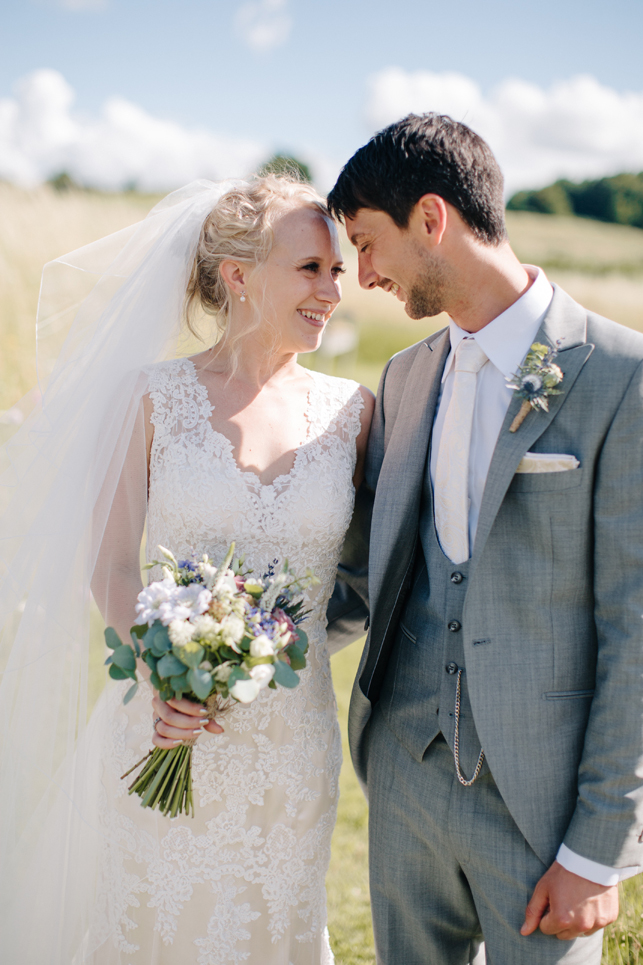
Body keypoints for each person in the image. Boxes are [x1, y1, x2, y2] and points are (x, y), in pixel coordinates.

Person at [0, 175, 374, 964]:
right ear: (237, 275)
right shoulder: (150, 398)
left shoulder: (355, 413)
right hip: (163, 726)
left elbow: (368, 577)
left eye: (337, 271)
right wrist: (162, 667)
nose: (332, 290)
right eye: (310, 267)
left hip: (290, 745)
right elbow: (106, 564)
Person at [325, 113, 643, 964]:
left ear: (431, 219)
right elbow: (363, 579)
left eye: (366, 244)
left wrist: (597, 849)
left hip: (541, 814)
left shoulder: (623, 377)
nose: (360, 276)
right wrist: (233, 648)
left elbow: (636, 631)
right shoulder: (403, 377)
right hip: (401, 780)